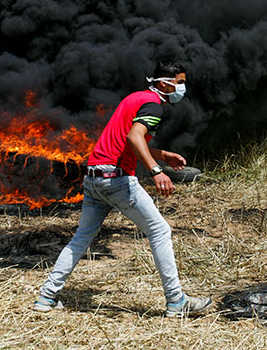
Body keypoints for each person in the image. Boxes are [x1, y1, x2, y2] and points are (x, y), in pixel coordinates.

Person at [33, 61, 212, 317]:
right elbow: (134, 137)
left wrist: (162, 155)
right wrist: (156, 170)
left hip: (94, 177)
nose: (183, 88)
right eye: (180, 82)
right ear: (164, 83)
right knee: (160, 231)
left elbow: (127, 143)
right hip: (116, 181)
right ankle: (176, 302)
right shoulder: (154, 105)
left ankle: (45, 298)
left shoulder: (135, 98)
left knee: (80, 240)